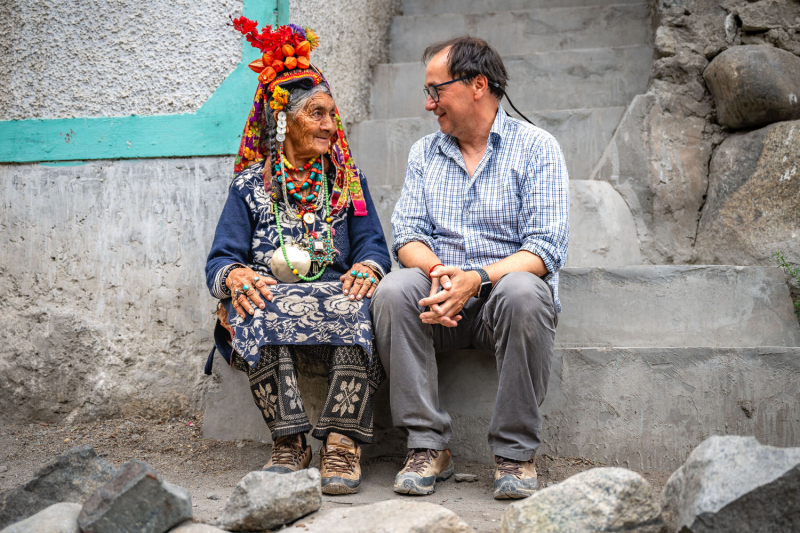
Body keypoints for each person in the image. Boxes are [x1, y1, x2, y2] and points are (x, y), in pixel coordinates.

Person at [370, 36, 569, 500]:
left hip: (503, 301)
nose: (428, 103)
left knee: (524, 290)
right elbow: (408, 235)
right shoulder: (425, 153)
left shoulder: (537, 148)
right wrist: (441, 272)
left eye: (436, 91)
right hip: (439, 304)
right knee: (395, 289)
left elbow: (545, 249)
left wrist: (476, 279)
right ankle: (426, 446)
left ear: (477, 84)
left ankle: (515, 452)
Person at [204, 21, 391, 495]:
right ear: (284, 121)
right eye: (317, 114)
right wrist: (237, 274)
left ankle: (343, 443)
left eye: (332, 115)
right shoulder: (249, 187)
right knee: (249, 301)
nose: (330, 125)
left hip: (335, 294)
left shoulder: (348, 183)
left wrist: (368, 267)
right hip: (275, 296)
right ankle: (290, 442)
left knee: (364, 304)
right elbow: (221, 257)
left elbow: (372, 245)